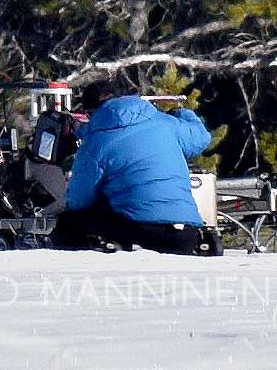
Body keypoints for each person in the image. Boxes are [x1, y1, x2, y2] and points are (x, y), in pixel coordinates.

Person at [51, 81, 212, 254]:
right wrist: (182, 112)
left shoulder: (95, 142)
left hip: (140, 233)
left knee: (67, 224)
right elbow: (202, 137)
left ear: (90, 113)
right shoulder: (166, 123)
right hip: (186, 234)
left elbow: (79, 201)